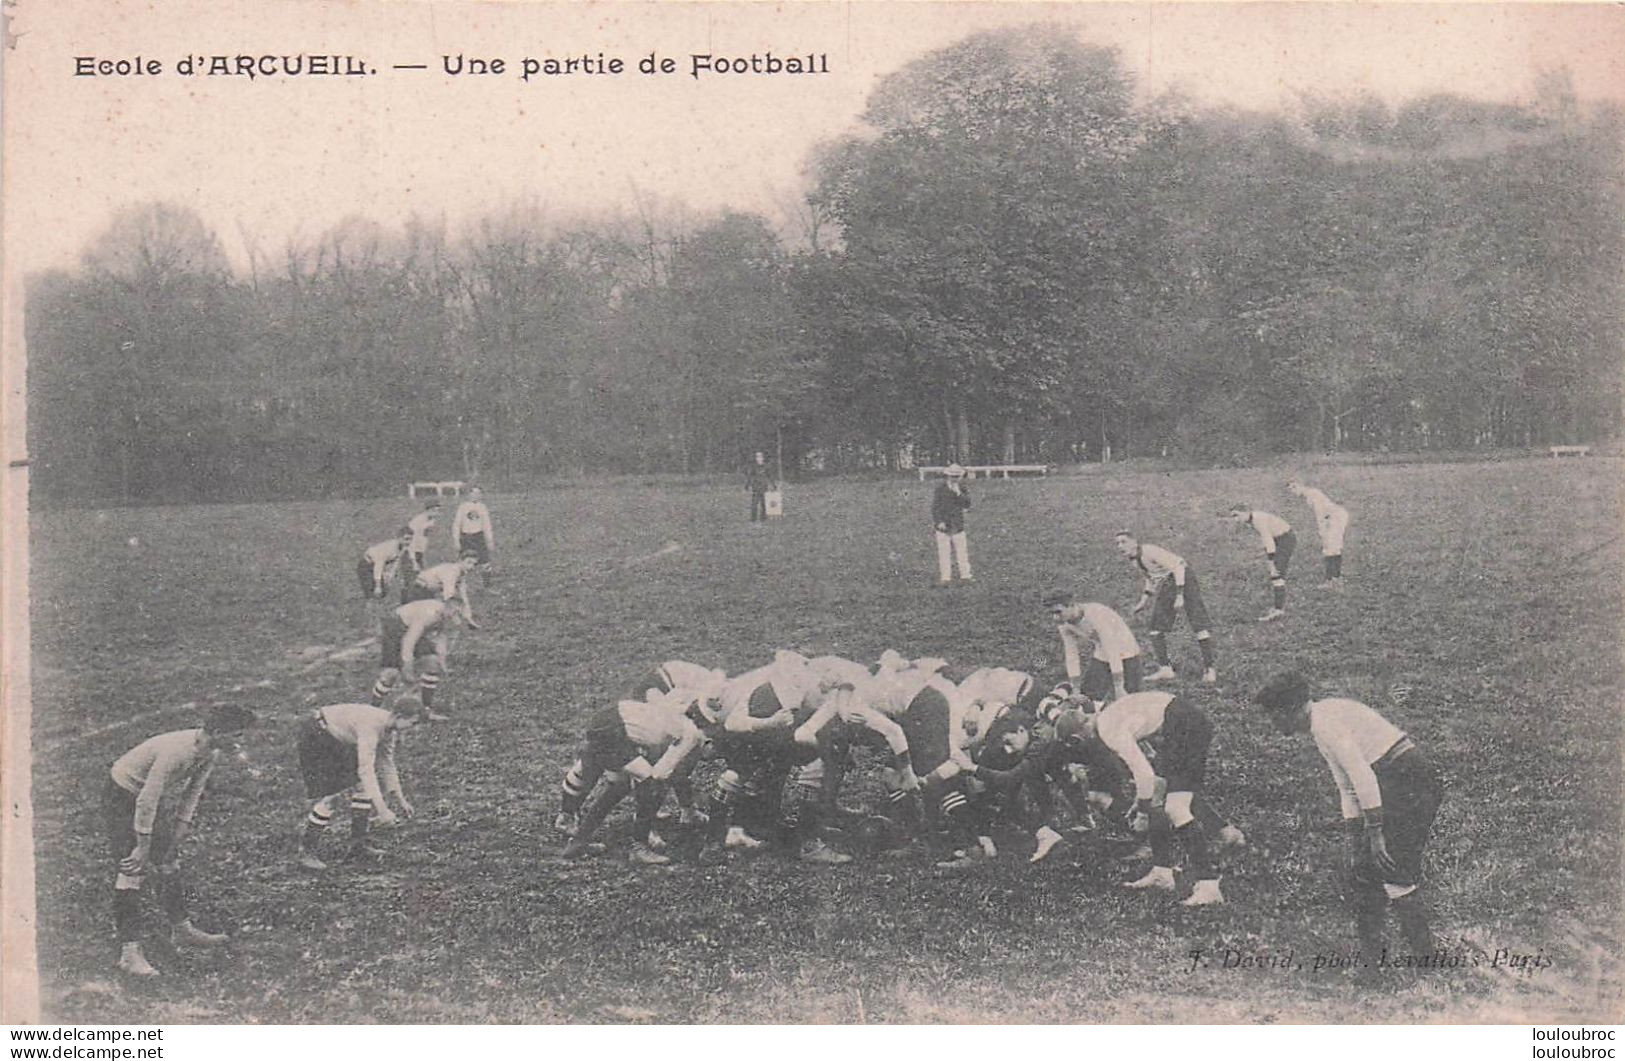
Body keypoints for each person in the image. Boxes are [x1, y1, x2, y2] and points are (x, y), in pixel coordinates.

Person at [1254, 672, 1443, 962]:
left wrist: (1377, 834)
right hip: (1392, 781)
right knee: (1364, 873)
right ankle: (1372, 963)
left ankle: (1428, 962)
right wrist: (1356, 841)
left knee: (1392, 871)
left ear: (1288, 711)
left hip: (1408, 780)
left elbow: (1362, 776)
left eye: (1273, 716)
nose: (1273, 724)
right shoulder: (1319, 725)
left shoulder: (1326, 723)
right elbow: (1348, 787)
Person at [104, 704, 257, 977]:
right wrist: (142, 846)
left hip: (147, 797)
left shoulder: (211, 752)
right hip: (122, 795)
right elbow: (146, 799)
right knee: (132, 870)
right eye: (238, 735)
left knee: (169, 863)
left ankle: (182, 930)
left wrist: (178, 831)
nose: (241, 742)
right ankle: (129, 953)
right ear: (219, 732)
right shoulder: (177, 751)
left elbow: (192, 793)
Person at [1065, 692, 1243, 906]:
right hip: (1179, 721)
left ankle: (1208, 884)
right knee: (1162, 793)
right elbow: (1152, 778)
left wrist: (1142, 812)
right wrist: (1143, 801)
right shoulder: (1106, 717)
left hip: (1183, 725)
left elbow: (1144, 775)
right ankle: (1163, 871)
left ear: (1080, 734)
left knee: (1176, 808)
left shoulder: (1107, 730)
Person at [558, 687, 712, 866]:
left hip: (609, 719)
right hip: (614, 729)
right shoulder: (691, 735)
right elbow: (660, 774)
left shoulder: (679, 710)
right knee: (649, 784)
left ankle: (577, 843)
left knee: (621, 785)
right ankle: (639, 847)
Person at [296, 695, 427, 871]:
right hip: (318, 735)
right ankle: (307, 852)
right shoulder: (371, 727)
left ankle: (358, 846)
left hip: (339, 738)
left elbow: (387, 764)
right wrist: (382, 810)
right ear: (399, 716)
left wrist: (400, 800)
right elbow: (366, 770)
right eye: (412, 723)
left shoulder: (389, 730)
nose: (412, 729)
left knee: (362, 788)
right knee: (333, 796)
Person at [1115, 531, 1217, 684]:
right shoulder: (1135, 560)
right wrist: (1143, 602)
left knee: (1198, 624)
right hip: (1167, 584)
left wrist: (1180, 595)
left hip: (1184, 578)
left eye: (1124, 542)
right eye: (1117, 543)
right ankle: (1165, 669)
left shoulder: (1150, 551)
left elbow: (1178, 567)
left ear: (1134, 541)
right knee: (1155, 629)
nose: (1120, 546)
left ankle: (1210, 670)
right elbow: (1151, 578)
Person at [1044, 589, 1144, 703]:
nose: (1055, 617)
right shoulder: (1064, 624)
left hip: (1127, 651)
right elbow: (1071, 654)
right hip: (1102, 653)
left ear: (1071, 605)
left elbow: (1112, 649)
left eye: (1058, 612)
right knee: (1086, 698)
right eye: (1051, 613)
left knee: (1130, 701)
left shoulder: (1096, 614)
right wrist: (1075, 688)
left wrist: (1118, 686)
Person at [370, 597, 461, 718]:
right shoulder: (427, 615)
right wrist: (407, 666)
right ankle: (373, 708)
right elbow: (409, 641)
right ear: (446, 608)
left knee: (432, 663)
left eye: (457, 613)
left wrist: (443, 664)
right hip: (395, 625)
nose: (454, 617)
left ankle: (426, 707)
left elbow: (441, 640)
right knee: (391, 673)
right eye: (453, 613)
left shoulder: (446, 616)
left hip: (412, 629)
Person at [1226, 505, 1296, 622]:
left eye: (1237, 515)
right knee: (1276, 574)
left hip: (1285, 540)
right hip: (1279, 539)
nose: (1236, 520)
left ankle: (1279, 610)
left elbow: (1268, 541)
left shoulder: (1258, 520)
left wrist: (1271, 562)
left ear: (1246, 512)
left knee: (1276, 574)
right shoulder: (1252, 519)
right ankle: (1278, 607)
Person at [1288, 480, 1350, 587]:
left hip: (1335, 518)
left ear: (1298, 486)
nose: (1293, 493)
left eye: (1293, 488)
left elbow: (1320, 513)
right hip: (1334, 517)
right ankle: (1336, 579)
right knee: (1333, 548)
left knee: (1330, 548)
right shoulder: (1310, 495)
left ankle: (1331, 580)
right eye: (1290, 490)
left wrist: (1322, 530)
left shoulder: (1312, 494)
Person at [405, 553, 481, 627]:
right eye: (469, 562)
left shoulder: (462, 573)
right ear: (460, 560)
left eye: (474, 564)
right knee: (421, 618)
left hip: (429, 592)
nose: (471, 567)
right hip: (418, 590)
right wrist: (456, 619)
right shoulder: (452, 571)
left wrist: (468, 617)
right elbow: (448, 596)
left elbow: (463, 595)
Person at [931, 464, 973, 585]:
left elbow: (967, 504)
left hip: (957, 524)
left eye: (957, 476)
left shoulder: (962, 488)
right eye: (952, 476)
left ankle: (965, 576)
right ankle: (945, 577)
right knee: (944, 552)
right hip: (943, 526)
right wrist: (939, 521)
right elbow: (935, 508)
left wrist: (958, 493)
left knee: (962, 552)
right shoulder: (940, 489)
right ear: (948, 476)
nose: (954, 479)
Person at [357, 530, 410, 600]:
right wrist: (378, 586)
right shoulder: (388, 548)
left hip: (379, 566)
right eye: (406, 539)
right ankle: (367, 605)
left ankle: (376, 605)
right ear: (399, 538)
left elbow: (396, 561)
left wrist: (389, 575)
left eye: (410, 539)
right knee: (372, 592)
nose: (408, 542)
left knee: (382, 593)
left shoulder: (403, 547)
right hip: (367, 566)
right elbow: (378, 567)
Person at [451, 486, 495, 569]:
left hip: (478, 536)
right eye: (473, 493)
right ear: (469, 494)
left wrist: (490, 541)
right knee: (465, 562)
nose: (475, 495)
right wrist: (456, 540)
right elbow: (456, 525)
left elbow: (487, 525)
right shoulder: (463, 507)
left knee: (485, 562)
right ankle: (462, 580)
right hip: (466, 537)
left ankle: (486, 581)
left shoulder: (482, 507)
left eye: (478, 493)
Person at [405, 500, 440, 570]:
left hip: (419, 550)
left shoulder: (431, 520)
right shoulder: (419, 520)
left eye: (438, 511)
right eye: (435, 511)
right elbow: (412, 539)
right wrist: (413, 558)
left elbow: (424, 536)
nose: (437, 513)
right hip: (411, 549)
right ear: (429, 510)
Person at [746, 452, 774, 524]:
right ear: (756, 458)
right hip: (755, 487)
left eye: (760, 457)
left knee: (764, 504)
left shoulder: (766, 466)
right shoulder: (753, 467)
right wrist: (747, 485)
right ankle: (753, 519)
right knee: (754, 504)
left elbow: (770, 476)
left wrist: (773, 485)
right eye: (757, 457)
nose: (759, 458)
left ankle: (763, 519)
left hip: (764, 487)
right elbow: (750, 476)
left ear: (763, 458)